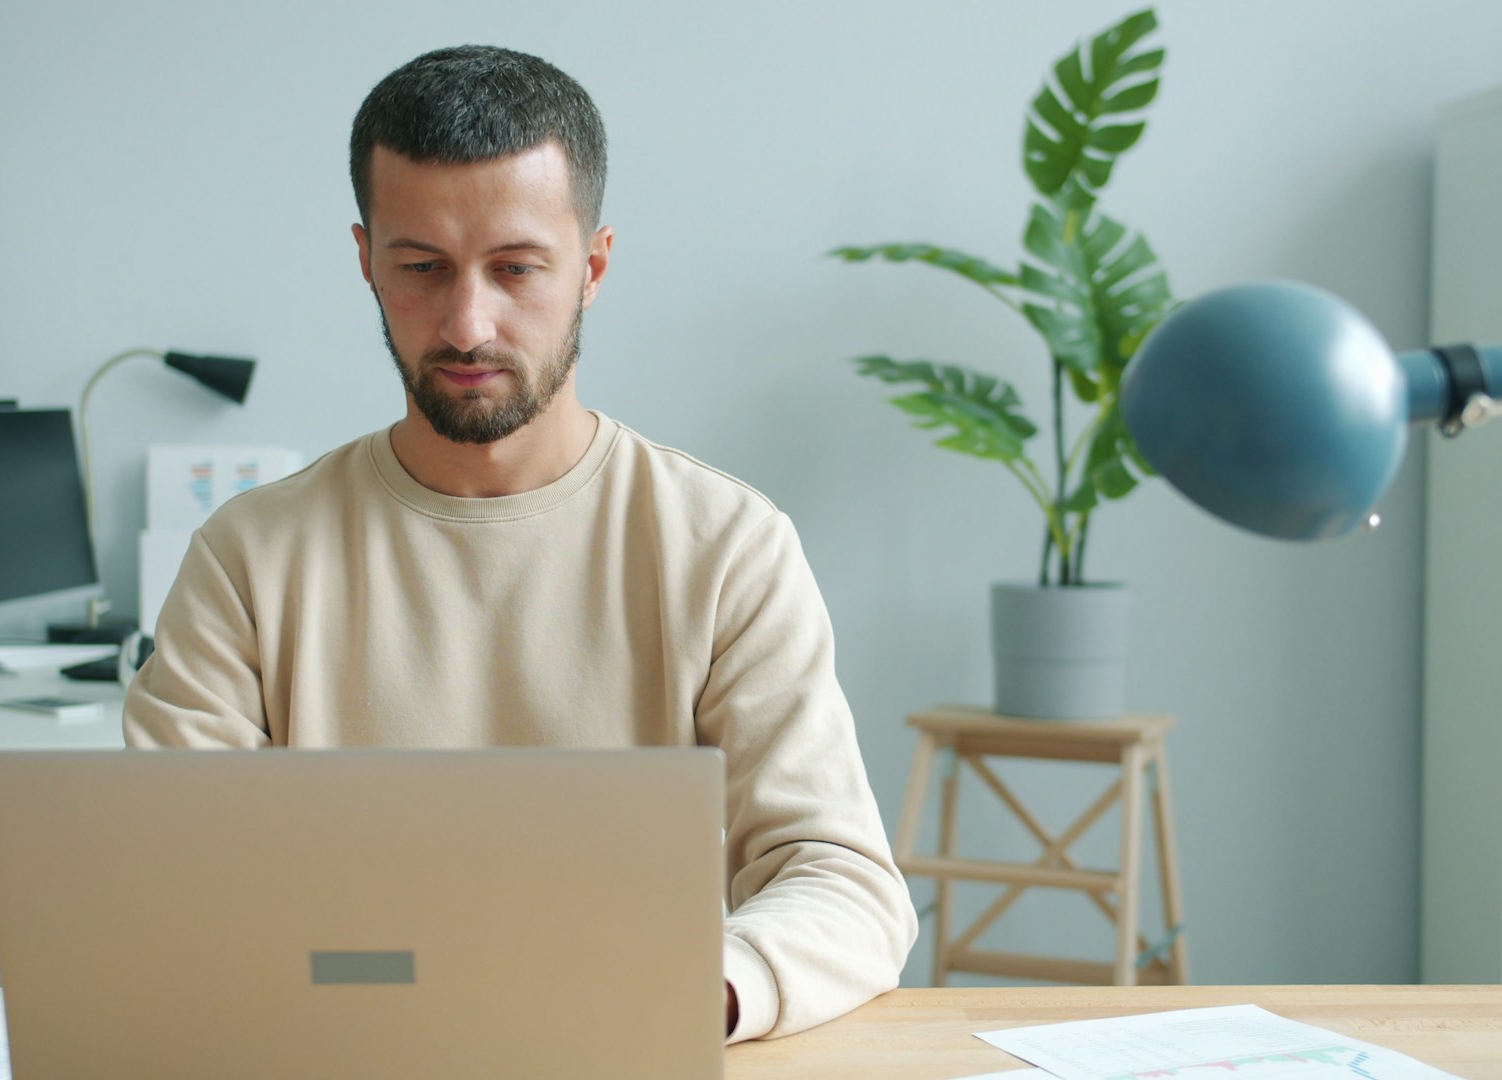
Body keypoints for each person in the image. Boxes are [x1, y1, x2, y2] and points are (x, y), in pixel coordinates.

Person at [123, 43, 915, 1043]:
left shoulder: (728, 546)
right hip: (334, 1046)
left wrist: (696, 987)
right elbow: (166, 880)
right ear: (367, 260)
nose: (467, 323)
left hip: (631, 1041)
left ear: (591, 267)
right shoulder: (248, 556)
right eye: (422, 269)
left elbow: (842, 878)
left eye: (517, 269)